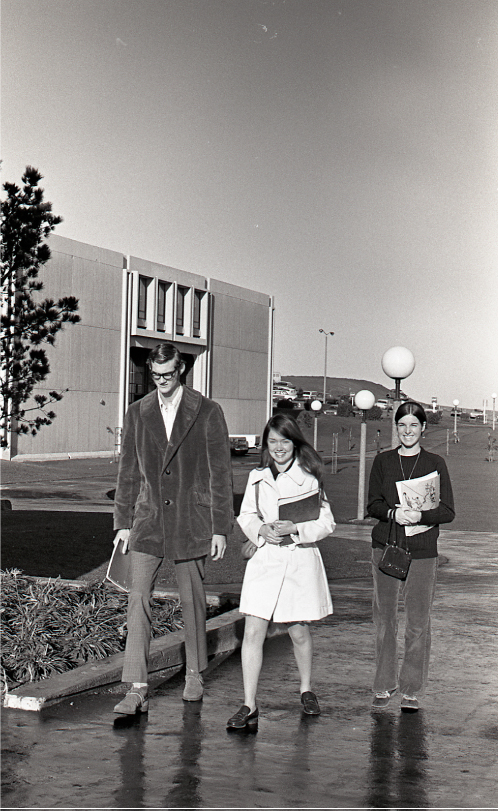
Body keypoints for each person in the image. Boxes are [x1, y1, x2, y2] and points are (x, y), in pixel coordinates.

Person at [112, 341, 233, 714]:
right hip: (148, 521)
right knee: (137, 599)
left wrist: (220, 527)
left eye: (167, 375)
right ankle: (136, 686)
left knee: (193, 600)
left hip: (191, 520)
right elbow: (128, 471)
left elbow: (220, 472)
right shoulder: (138, 412)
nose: (161, 381)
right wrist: (122, 522)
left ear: (180, 370)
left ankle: (195, 673)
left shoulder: (207, 411)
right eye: (155, 375)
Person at [226, 413, 335, 730]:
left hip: (297, 561)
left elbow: (326, 523)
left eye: (284, 441)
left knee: (298, 631)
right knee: (253, 632)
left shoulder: (310, 478)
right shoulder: (257, 477)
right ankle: (249, 705)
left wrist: (297, 528)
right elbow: (245, 515)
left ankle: (306, 689)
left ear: (294, 441)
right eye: (272, 441)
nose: (278, 448)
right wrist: (260, 529)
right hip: (265, 561)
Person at [367, 400, 455, 712]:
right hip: (387, 548)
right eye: (402, 425)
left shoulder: (435, 463)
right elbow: (373, 505)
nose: (407, 431)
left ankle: (411, 689)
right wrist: (394, 512)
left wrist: (419, 515)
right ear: (397, 427)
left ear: (423, 428)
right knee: (385, 620)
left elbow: (448, 512)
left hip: (422, 552)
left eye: (413, 425)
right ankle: (383, 685)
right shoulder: (383, 461)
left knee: (418, 622)